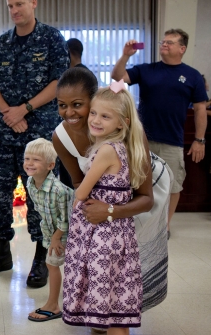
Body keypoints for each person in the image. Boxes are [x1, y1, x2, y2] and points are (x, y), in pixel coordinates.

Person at [53, 67, 171, 320]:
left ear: (94, 99)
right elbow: (78, 183)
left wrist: (110, 212)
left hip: (138, 193)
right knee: (100, 262)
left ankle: (122, 314)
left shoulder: (130, 133)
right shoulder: (60, 136)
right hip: (103, 199)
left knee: (129, 263)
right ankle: (100, 313)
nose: (69, 113)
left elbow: (146, 197)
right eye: (62, 105)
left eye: (78, 104)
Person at [0, 0, 69, 288]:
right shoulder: (2, 42)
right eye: (10, 6)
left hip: (38, 133)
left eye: (20, 4)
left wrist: (25, 109)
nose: (15, 11)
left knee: (40, 196)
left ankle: (42, 260)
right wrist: (8, 112)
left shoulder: (52, 38)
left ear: (33, 3)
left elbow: (59, 81)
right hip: (4, 132)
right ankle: (1, 253)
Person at [63, 83, 146, 334]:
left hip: (100, 235)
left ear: (122, 123)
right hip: (118, 234)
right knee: (114, 299)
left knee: (105, 304)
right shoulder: (123, 147)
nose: (96, 120)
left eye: (105, 116)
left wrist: (76, 199)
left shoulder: (106, 150)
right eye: (94, 113)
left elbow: (82, 191)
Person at [111, 29, 207, 236]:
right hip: (141, 139)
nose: (164, 44)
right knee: (135, 182)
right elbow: (117, 79)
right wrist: (126, 55)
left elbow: (200, 109)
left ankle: (165, 225)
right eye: (163, 41)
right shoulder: (147, 70)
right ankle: (135, 222)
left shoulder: (192, 76)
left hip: (173, 140)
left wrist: (200, 140)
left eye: (170, 42)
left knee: (173, 186)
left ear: (182, 48)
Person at [23, 139, 73, 322]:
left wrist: (56, 238)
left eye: (36, 160)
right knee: (53, 265)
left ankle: (53, 305)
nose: (29, 163)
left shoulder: (59, 190)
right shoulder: (30, 183)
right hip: (51, 233)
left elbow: (66, 219)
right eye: (27, 158)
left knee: (53, 265)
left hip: (66, 234)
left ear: (51, 165)